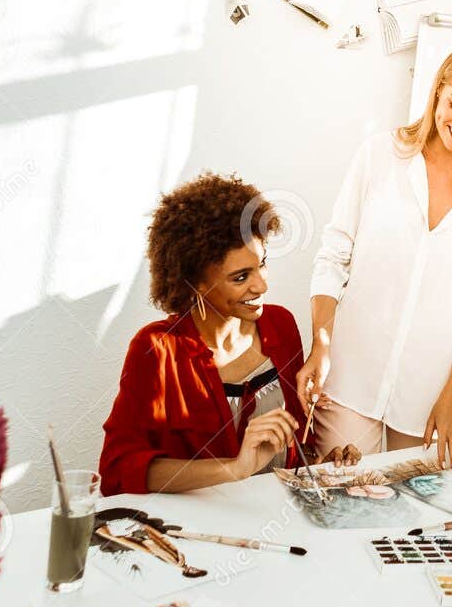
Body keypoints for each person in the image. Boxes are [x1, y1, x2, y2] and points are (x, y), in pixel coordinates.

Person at [298, 39, 452, 467]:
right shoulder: (380, 155)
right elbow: (333, 256)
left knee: (410, 521)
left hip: (430, 399)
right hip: (349, 378)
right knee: (338, 507)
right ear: (438, 90)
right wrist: (321, 345)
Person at [100, 173, 359, 495]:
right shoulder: (157, 349)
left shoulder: (280, 324)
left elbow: (288, 447)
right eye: (240, 277)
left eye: (262, 264)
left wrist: (321, 465)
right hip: (206, 525)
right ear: (194, 284)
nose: (262, 286)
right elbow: (118, 470)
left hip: (279, 516)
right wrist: (236, 468)